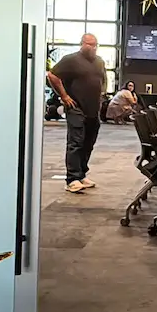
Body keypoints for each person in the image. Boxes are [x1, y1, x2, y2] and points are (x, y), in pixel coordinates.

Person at [47, 34, 107, 193]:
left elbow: (102, 80)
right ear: (82, 44)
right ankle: (72, 178)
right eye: (90, 44)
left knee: (88, 142)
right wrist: (64, 96)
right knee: (76, 142)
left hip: (93, 109)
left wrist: (101, 96)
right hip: (76, 108)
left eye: (95, 45)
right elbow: (52, 75)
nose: (93, 48)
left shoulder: (99, 62)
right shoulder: (70, 60)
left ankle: (81, 174)